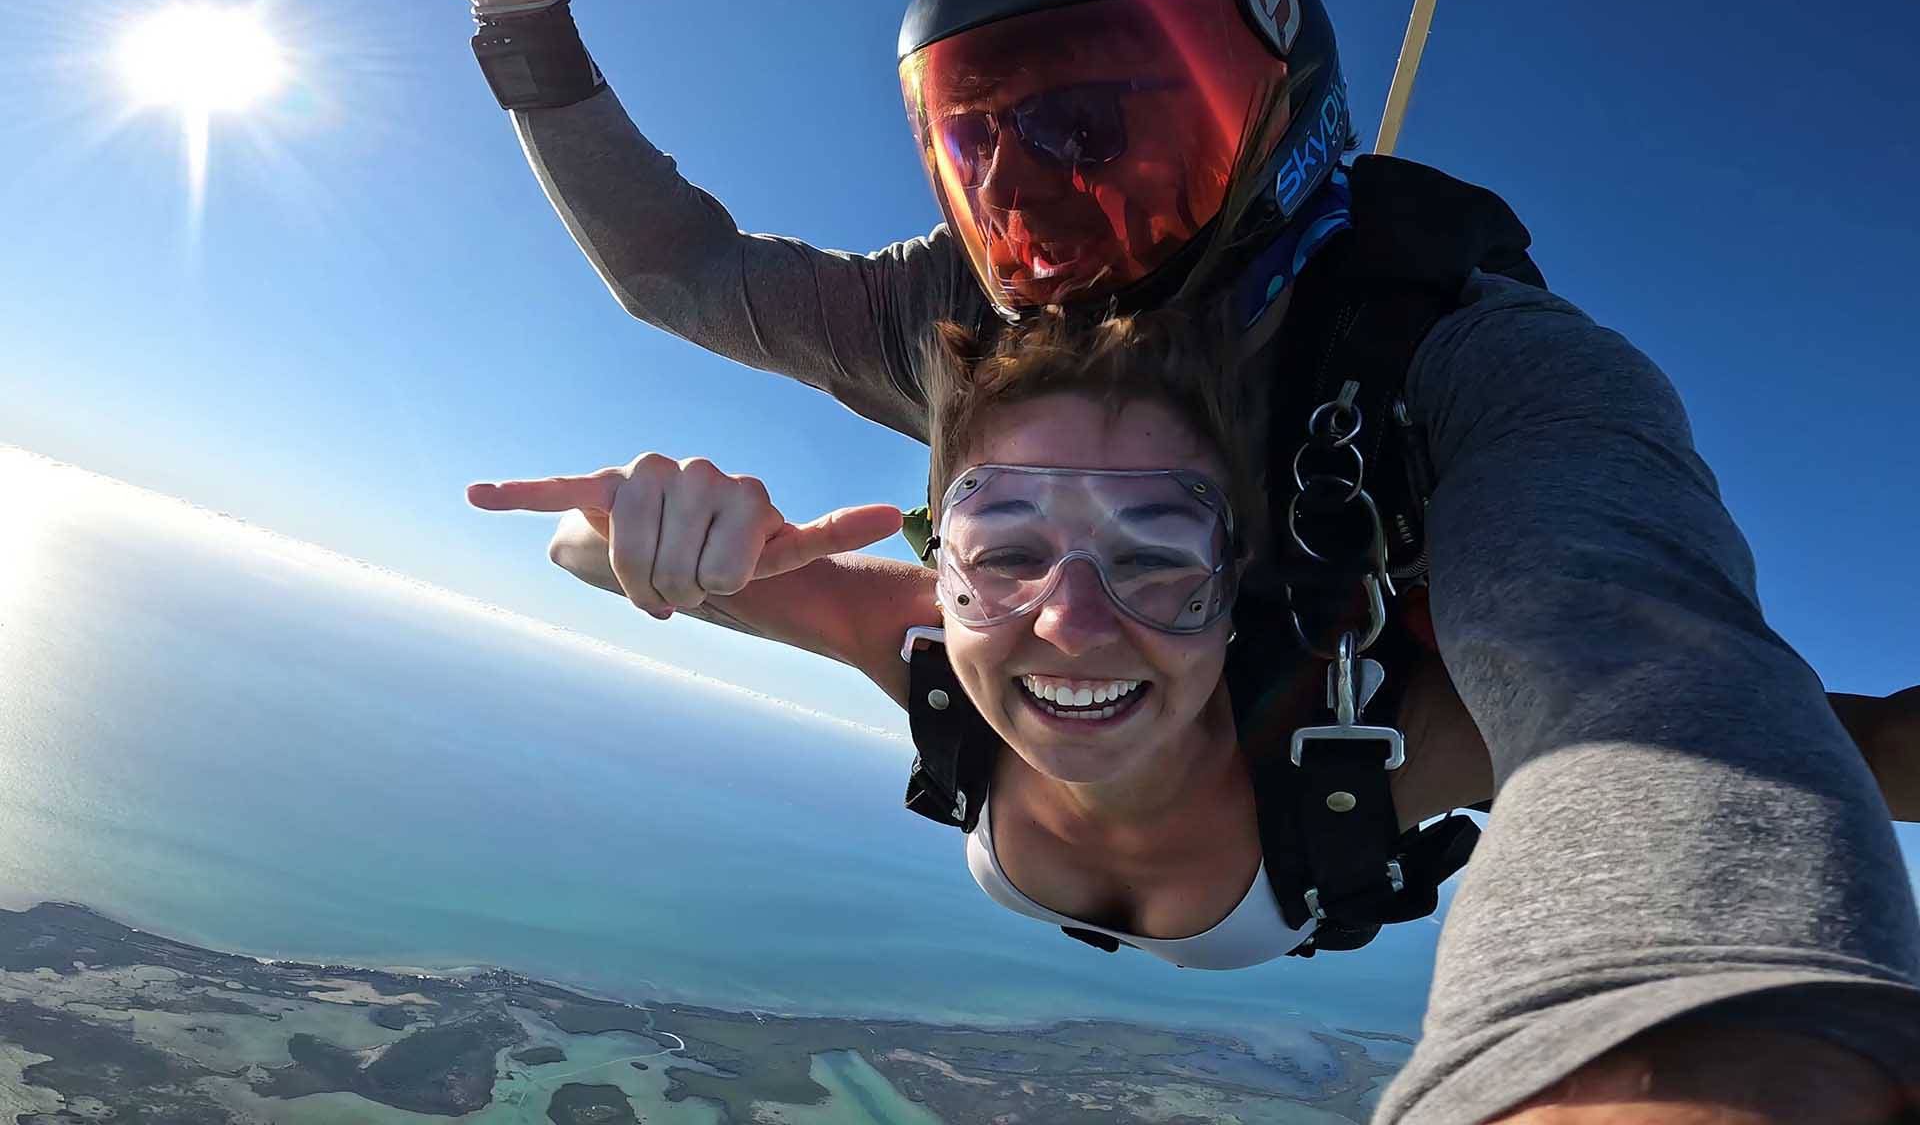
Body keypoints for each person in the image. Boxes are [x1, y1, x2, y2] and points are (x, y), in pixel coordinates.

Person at [427, 0, 1920, 1119]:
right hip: (1225, 777)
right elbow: (679, 275)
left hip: (1316, 746)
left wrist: (1679, 1030)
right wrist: (519, 14)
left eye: (1089, 124)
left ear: (1271, 103)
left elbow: (1631, 673)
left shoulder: (1461, 363)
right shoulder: (955, 324)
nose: (1026, 196)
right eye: (979, 137)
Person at [472, 307, 1919, 1122]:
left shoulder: (1367, 738)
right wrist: (667, 538)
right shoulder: (912, 636)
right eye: (1010, 550)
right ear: (942, 564)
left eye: (1159, 556)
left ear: (1239, 590)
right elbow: (579, 554)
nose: (1073, 622)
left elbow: (1734, 752)